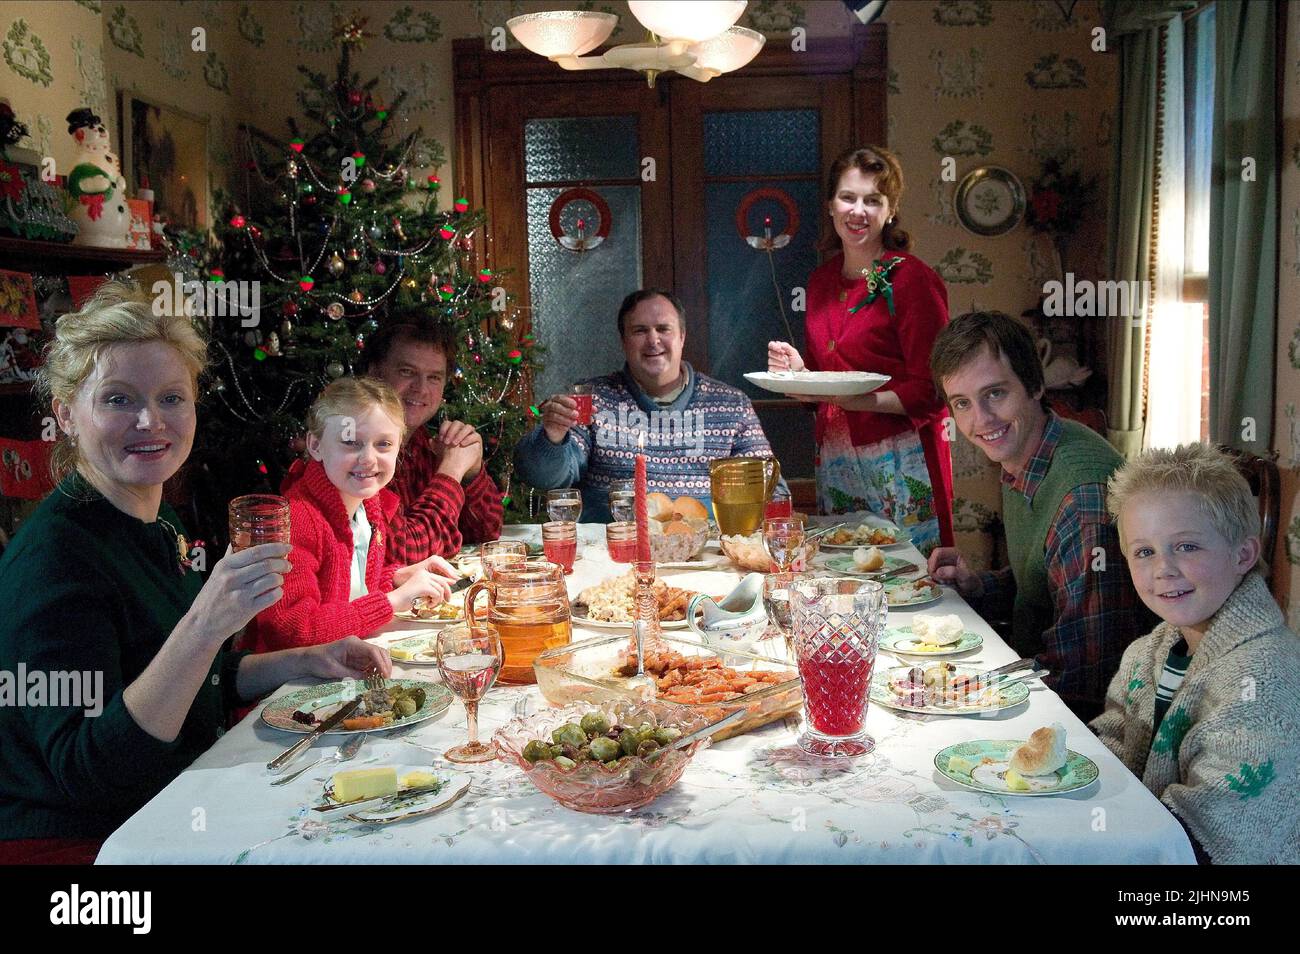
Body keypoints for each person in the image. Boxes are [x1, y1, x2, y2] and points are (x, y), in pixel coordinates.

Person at [0, 282, 392, 862]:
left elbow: (185, 677)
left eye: (170, 398)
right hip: (90, 847)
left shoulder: (156, 521)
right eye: (117, 399)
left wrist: (303, 661)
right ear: (67, 415)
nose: (150, 421)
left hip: (172, 800)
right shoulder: (56, 562)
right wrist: (206, 623)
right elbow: (89, 770)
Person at [926, 310, 1154, 720]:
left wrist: (968, 696)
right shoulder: (1027, 451)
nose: (981, 420)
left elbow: (1087, 676)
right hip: (1044, 683)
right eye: (962, 403)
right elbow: (1045, 582)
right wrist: (977, 586)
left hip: (1083, 722)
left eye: (995, 393)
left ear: (1034, 385)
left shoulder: (1081, 499)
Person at [1091, 444, 1299, 864]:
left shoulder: (1263, 682)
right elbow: (1109, 744)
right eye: (1144, 551)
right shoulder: (1146, 654)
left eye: (1186, 547)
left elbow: (1210, 838)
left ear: (1243, 554)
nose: (1163, 569)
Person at [768, 145, 953, 556]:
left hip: (901, 458)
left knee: (911, 575)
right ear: (831, 206)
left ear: (891, 211)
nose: (858, 211)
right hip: (836, 456)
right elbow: (828, 378)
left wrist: (854, 400)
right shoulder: (820, 282)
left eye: (873, 200)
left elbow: (935, 391)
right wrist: (801, 373)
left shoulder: (912, 281)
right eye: (848, 198)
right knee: (847, 572)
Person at [514, 289, 787, 521]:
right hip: (613, 554)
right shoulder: (594, 399)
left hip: (706, 553)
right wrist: (552, 435)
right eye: (640, 331)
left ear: (682, 338)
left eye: (663, 329)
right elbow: (544, 478)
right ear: (624, 341)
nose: (653, 340)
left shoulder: (731, 404)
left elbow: (772, 489)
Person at [240, 378, 459, 654]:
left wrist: (397, 578)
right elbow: (294, 632)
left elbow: (353, 594)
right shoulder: (296, 521)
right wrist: (392, 601)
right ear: (315, 446)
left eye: (383, 445)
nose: (368, 458)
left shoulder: (368, 507)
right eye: (351, 443)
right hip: (286, 686)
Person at [331, 317, 502, 561]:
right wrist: (452, 471)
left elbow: (486, 532)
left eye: (434, 377)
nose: (421, 388)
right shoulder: (354, 448)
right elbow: (400, 552)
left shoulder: (425, 442)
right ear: (374, 372)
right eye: (407, 372)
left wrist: (471, 472)